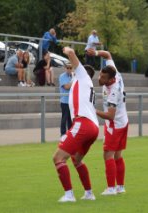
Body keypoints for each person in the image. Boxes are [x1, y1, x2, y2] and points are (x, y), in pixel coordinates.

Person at [52, 46, 99, 202]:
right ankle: (89, 193)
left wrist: (67, 49)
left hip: (83, 123)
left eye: (74, 69)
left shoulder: (82, 77)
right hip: (92, 127)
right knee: (76, 159)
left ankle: (69, 195)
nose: (72, 69)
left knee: (58, 158)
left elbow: (72, 54)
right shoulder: (83, 84)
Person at [87, 48, 128, 195]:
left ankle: (111, 188)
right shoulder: (113, 71)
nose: (100, 79)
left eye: (103, 78)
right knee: (117, 156)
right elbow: (108, 54)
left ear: (111, 80)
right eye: (100, 75)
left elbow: (110, 116)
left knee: (108, 155)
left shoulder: (113, 92)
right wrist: (96, 53)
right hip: (123, 121)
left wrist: (92, 110)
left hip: (115, 125)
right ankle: (120, 187)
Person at [58, 63, 73, 137]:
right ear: (65, 68)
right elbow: (66, 87)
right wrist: (73, 81)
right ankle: (63, 133)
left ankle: (70, 133)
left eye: (70, 68)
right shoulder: (62, 76)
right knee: (64, 117)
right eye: (68, 68)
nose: (69, 69)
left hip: (72, 101)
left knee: (70, 118)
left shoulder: (73, 76)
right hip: (64, 101)